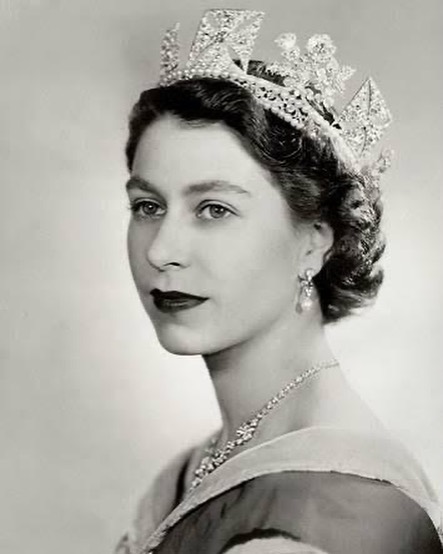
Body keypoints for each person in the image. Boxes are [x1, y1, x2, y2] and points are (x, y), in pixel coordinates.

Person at [115, 9, 443, 554]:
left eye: (214, 209)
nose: (161, 251)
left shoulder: (322, 507)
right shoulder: (195, 468)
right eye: (148, 206)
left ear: (315, 241)